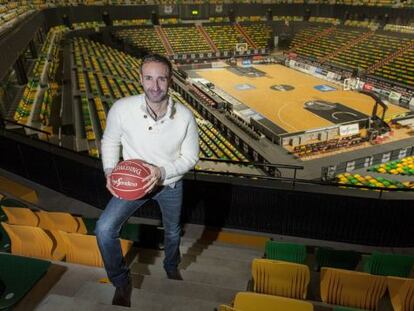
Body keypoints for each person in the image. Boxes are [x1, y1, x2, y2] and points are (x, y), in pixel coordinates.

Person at [95, 53, 199, 307]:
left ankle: (171, 265)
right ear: (140, 79)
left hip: (170, 183)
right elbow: (110, 141)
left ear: (170, 80)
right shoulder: (122, 107)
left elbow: (191, 157)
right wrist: (110, 170)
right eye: (149, 78)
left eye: (161, 79)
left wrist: (161, 172)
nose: (155, 86)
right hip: (132, 183)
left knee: (173, 230)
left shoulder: (185, 116)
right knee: (104, 229)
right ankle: (121, 282)